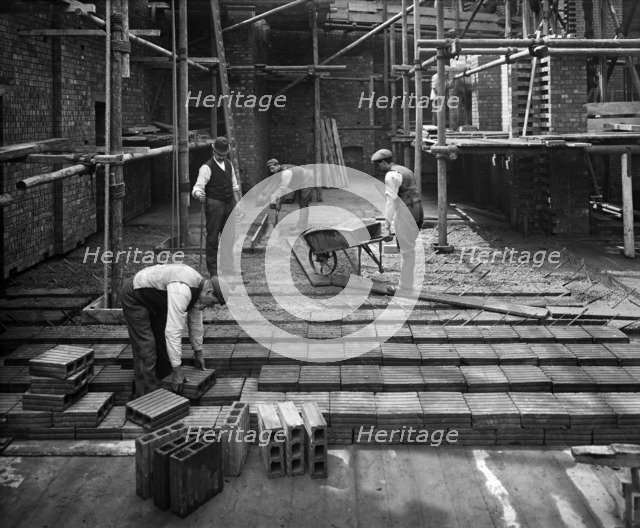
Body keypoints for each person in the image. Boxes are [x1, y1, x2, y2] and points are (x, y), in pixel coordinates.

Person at [121, 263, 227, 397]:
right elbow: (173, 332)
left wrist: (198, 351)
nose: (210, 307)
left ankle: (164, 386)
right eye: (212, 303)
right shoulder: (182, 290)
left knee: (164, 346)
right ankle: (146, 398)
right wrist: (177, 371)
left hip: (156, 300)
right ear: (209, 291)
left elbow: (195, 323)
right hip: (135, 296)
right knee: (146, 347)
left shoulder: (198, 288)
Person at [371, 149, 424, 295]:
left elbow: (390, 202)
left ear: (383, 162)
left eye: (377, 165)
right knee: (409, 249)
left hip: (407, 212)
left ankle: (404, 288)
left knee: (406, 251)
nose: (377, 168)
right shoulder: (405, 170)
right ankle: (407, 284)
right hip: (418, 210)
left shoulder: (391, 175)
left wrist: (387, 226)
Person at [192, 136, 242, 278]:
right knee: (213, 239)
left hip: (229, 204)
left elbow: (234, 186)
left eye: (224, 154)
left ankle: (228, 269)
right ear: (214, 151)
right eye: (219, 154)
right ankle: (213, 272)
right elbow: (197, 187)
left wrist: (237, 205)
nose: (221, 157)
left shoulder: (229, 164)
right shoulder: (206, 167)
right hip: (214, 205)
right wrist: (198, 194)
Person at [266, 159, 314, 232]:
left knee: (303, 205)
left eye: (272, 168)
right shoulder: (280, 172)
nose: (272, 171)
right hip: (299, 181)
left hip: (307, 180)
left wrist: (279, 204)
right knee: (301, 203)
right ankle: (301, 225)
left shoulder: (286, 172)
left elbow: (283, 191)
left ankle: (302, 228)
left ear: (277, 165)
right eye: (270, 169)